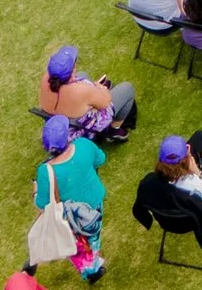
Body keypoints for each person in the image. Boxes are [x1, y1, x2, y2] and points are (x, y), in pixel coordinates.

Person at [130, 133, 202, 253]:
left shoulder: (148, 181)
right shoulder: (194, 186)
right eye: (187, 148)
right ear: (187, 156)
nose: (189, 147)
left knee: (200, 137)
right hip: (190, 222)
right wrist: (198, 173)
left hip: (168, 222)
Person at [33, 116, 108, 280]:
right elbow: (101, 159)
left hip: (70, 218)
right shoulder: (83, 145)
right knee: (93, 234)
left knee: (78, 244)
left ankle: (90, 269)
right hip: (94, 204)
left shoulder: (45, 171)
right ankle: (93, 262)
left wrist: (35, 191)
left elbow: (42, 204)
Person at [40, 44, 136, 140]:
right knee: (128, 88)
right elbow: (106, 102)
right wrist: (101, 88)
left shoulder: (45, 79)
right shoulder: (80, 91)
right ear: (72, 71)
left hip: (60, 125)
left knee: (82, 74)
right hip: (82, 129)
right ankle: (114, 130)